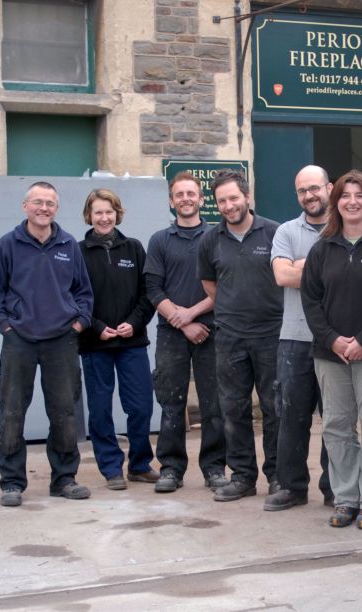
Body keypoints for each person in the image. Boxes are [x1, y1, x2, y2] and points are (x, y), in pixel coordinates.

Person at [0, 181, 94, 506]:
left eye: (50, 203)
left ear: (56, 209)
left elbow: (83, 292)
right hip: (19, 340)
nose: (44, 208)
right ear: (25, 206)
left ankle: (64, 479)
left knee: (64, 412)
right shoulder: (8, 245)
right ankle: (11, 483)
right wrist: (6, 327)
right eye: (38, 202)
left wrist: (78, 324)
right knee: (12, 412)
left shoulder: (68, 245)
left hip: (61, 340)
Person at [301, 170, 362, 529]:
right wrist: (333, 340)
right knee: (336, 426)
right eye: (344, 195)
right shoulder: (323, 247)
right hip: (330, 353)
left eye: (359, 194)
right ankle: (346, 497)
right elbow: (311, 301)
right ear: (335, 202)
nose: (352, 201)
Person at [198, 168, 283, 502]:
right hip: (230, 337)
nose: (229, 205)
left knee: (276, 408)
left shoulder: (275, 232)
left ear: (247, 197)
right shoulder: (210, 240)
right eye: (222, 201)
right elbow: (209, 284)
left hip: (271, 335)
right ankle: (243, 477)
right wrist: (233, 308)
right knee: (233, 409)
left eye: (234, 198)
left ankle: (278, 476)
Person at [144, 172, 227, 494]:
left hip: (212, 330)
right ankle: (171, 468)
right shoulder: (160, 240)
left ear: (201, 199)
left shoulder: (217, 236)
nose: (186, 199)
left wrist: (193, 314)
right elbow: (152, 287)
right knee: (170, 401)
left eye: (191, 193)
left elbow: (225, 285)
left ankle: (215, 468)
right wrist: (181, 321)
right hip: (170, 333)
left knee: (214, 403)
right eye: (179, 194)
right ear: (171, 201)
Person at [78, 188, 158, 490]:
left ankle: (139, 464)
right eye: (98, 212)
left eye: (109, 211)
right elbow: (74, 297)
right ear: (90, 215)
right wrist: (96, 326)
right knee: (99, 409)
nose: (104, 217)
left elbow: (147, 293)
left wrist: (133, 324)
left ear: (117, 213)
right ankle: (111, 468)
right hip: (94, 343)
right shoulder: (78, 251)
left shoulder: (134, 248)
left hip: (131, 343)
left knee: (140, 406)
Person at [264, 165, 333, 511]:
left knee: (336, 418)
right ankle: (292, 486)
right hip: (294, 337)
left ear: (329, 188)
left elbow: (346, 277)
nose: (310, 195)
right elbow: (281, 276)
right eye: (303, 191)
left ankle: (335, 487)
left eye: (315, 188)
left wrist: (303, 265)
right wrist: (324, 265)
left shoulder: (345, 227)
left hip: (335, 338)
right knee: (291, 416)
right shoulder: (286, 231)